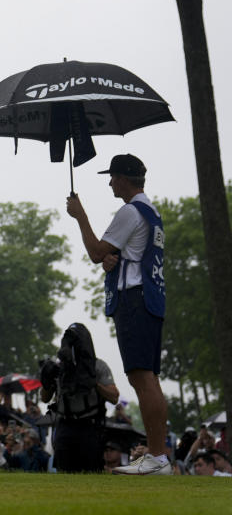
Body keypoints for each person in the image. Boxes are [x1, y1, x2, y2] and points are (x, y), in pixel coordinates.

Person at [66, 154, 169, 475]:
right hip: (151, 300)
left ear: (124, 179)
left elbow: (97, 252)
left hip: (134, 301)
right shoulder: (152, 212)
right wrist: (117, 259)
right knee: (148, 377)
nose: (110, 182)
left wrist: (80, 217)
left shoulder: (129, 211)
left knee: (141, 377)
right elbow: (125, 255)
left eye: (112, 177)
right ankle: (157, 456)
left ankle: (156, 457)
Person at [40, 323, 120, 473]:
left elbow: (114, 397)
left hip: (90, 425)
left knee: (92, 470)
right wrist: (46, 381)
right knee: (64, 470)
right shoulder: (58, 368)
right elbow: (45, 398)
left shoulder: (98, 366)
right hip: (65, 424)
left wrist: (94, 383)